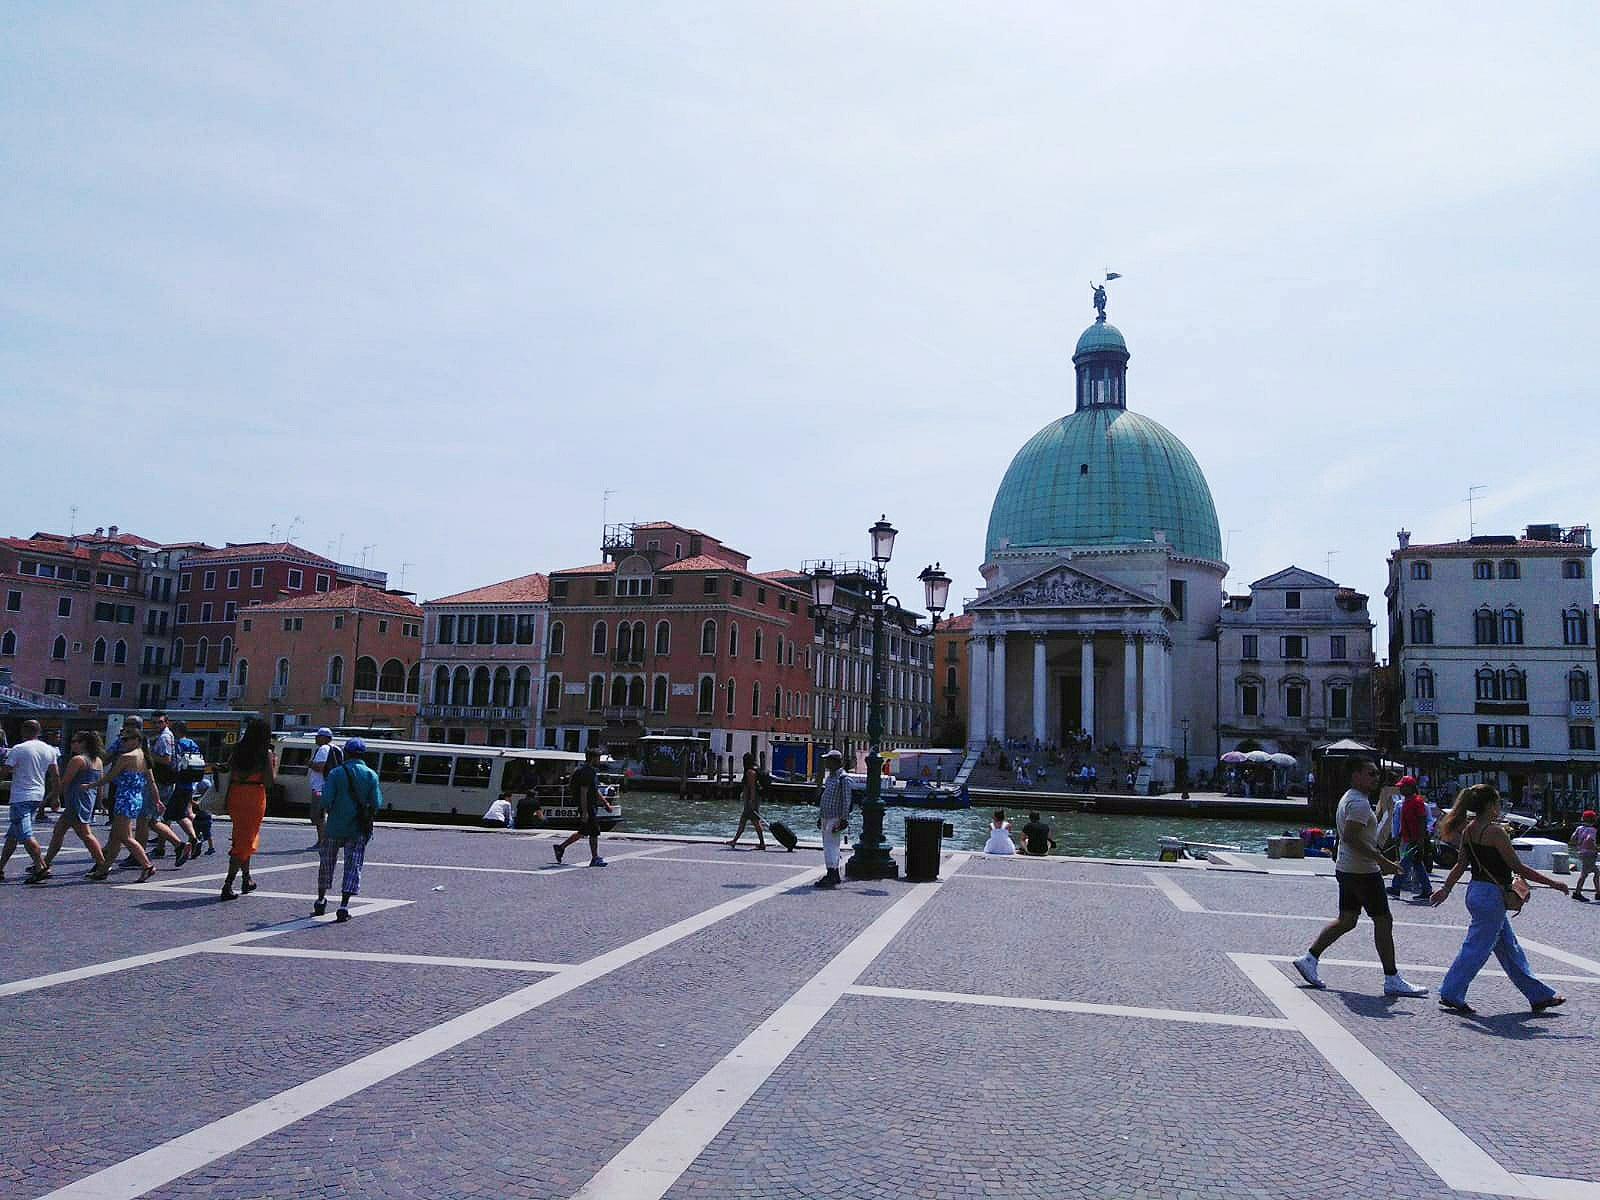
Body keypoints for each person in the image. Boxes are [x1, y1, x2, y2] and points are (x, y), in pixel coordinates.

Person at [1291, 759, 1428, 997]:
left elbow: (1349, 838)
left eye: (1377, 774)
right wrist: (1383, 862)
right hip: (1363, 871)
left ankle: (1309, 958)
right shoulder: (1359, 804)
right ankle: (1392, 977)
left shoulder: (1351, 798)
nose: (1376, 778)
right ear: (1355, 776)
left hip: (1348, 869)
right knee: (1383, 921)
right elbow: (1352, 838)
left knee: (1347, 919)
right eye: (1370, 773)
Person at [1431, 784, 1568, 1014]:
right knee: (1476, 948)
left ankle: (1539, 995)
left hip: (1476, 891)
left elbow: (1460, 865)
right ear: (1489, 805)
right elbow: (1517, 866)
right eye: (1497, 802)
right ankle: (1451, 992)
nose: (1499, 807)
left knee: (1509, 948)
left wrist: (1446, 888)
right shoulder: (1495, 832)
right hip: (1492, 895)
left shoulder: (1469, 830)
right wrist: (1553, 882)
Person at [314, 737, 383, 922]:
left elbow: (326, 801)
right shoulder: (371, 775)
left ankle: (320, 900)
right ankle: (343, 906)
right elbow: (376, 803)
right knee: (353, 866)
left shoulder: (336, 773)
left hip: (335, 826)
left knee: (326, 863)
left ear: (346, 753)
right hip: (357, 828)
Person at [31, 729, 109, 881]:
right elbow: (99, 784)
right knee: (59, 831)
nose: (72, 744)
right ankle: (45, 863)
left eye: (75, 741)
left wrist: (52, 798)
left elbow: (64, 781)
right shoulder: (97, 760)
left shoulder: (78, 760)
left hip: (76, 800)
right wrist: (99, 802)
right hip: (87, 799)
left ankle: (102, 864)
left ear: (83, 744)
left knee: (85, 834)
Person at [90, 717, 161, 882]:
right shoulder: (143, 754)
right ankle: (103, 869)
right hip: (136, 798)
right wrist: (157, 800)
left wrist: (89, 785)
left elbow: (109, 776)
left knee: (125, 837)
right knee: (116, 836)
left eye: (126, 738)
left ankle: (147, 865)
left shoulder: (126, 757)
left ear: (136, 739)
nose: (123, 741)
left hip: (124, 798)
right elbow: (151, 781)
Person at [220, 718, 275, 901]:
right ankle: (228, 883)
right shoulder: (264, 753)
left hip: (235, 794)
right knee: (245, 840)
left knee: (241, 836)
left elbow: (228, 769)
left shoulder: (237, 750)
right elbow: (269, 781)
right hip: (254, 795)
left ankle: (246, 878)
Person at [1, 719, 58, 882]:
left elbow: (5, 771)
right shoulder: (49, 750)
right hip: (37, 795)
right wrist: (55, 797)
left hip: (20, 797)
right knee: (13, 835)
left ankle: (41, 866)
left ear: (24, 731)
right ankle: (1, 867)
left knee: (25, 834)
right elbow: (55, 775)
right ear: (39, 731)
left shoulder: (19, 749)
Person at [553, 746, 611, 866]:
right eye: (598, 758)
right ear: (592, 759)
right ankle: (595, 858)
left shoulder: (589, 771)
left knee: (584, 831)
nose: (599, 760)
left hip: (590, 805)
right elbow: (584, 792)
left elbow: (594, 789)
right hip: (588, 806)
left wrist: (605, 802)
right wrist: (584, 811)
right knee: (594, 831)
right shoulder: (586, 772)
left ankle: (561, 847)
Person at [1386, 776, 1431, 901]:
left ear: (1411, 787)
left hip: (1414, 840)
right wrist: (1399, 834)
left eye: (1402, 787)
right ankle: (1427, 889)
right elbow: (1404, 821)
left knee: (1403, 864)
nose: (1400, 789)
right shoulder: (1406, 802)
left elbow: (1422, 821)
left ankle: (1395, 887)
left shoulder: (1417, 802)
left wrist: (1420, 841)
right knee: (1417, 865)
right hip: (1408, 838)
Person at [815, 749, 850, 888]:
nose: (826, 762)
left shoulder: (844, 778)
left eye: (828, 760)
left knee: (832, 846)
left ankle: (832, 873)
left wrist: (843, 820)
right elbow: (825, 797)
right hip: (826, 816)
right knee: (827, 845)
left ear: (835, 761)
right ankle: (832, 873)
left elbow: (846, 800)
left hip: (835, 817)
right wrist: (820, 817)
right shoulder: (830, 777)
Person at [144, 712, 177, 859]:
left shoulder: (164, 737)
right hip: (167, 780)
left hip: (161, 781)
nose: (157, 725)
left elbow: (166, 759)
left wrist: (148, 754)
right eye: (154, 722)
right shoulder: (166, 735)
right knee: (164, 818)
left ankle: (179, 845)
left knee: (149, 819)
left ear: (166, 722)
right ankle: (161, 847)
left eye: (160, 722)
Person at [306, 727, 343, 850]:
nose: (316, 738)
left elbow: (320, 767)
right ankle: (327, 840)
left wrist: (310, 763)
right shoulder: (337, 748)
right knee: (327, 815)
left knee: (318, 816)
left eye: (318, 736)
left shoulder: (323, 749)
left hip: (320, 788)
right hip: (331, 787)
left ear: (324, 738)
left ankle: (322, 841)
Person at [727, 752, 767, 851]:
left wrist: (751, 801)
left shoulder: (750, 772)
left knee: (753, 820)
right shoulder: (754, 769)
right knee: (746, 820)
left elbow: (752, 787)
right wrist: (744, 794)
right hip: (751, 798)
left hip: (751, 799)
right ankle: (734, 841)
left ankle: (762, 843)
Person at [1571, 810, 1598, 901]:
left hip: (1581, 852)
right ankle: (1577, 892)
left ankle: (1598, 892)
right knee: (1584, 874)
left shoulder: (1579, 828)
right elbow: (1589, 839)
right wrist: (1596, 848)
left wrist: (1579, 845)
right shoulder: (1592, 830)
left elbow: (1573, 838)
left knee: (1595, 873)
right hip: (1589, 854)